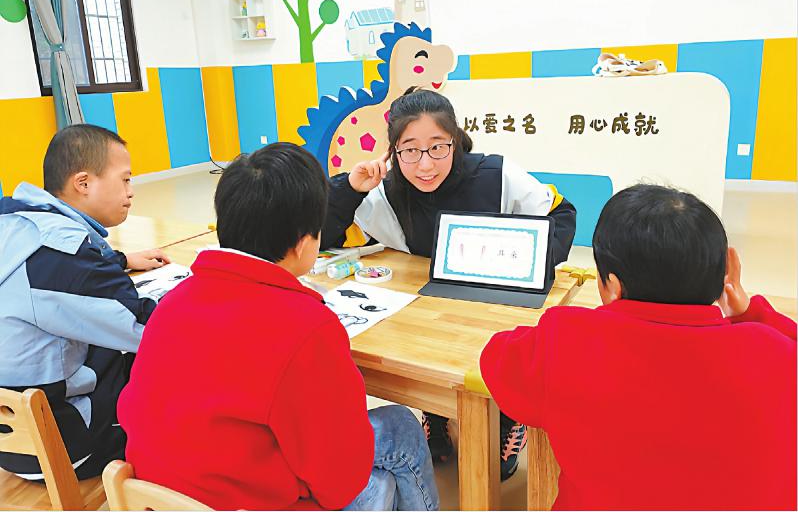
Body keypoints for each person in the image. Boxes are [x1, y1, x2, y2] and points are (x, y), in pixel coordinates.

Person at [118, 143, 439, 511]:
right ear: (303, 244)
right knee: (396, 433)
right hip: (246, 502)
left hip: (158, 498)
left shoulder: (172, 303)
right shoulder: (306, 327)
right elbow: (339, 482)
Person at [480, 184, 797, 509]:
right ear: (725, 273)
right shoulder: (775, 353)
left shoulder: (566, 339)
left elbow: (495, 359)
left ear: (613, 286)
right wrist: (750, 313)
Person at [322, 88, 577, 480]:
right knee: (420, 346)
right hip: (429, 308)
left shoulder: (496, 175)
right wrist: (350, 188)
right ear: (393, 151)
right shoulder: (385, 192)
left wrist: (528, 265)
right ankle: (436, 414)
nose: (425, 164)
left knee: (503, 357)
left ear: (455, 140)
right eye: (410, 150)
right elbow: (325, 237)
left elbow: (560, 212)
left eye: (438, 147)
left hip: (493, 301)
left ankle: (509, 417)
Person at [0, 125, 169, 479]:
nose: (131, 191)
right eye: (125, 180)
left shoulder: (14, 220)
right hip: (56, 446)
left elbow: (47, 276)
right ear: (83, 183)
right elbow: (144, 327)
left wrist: (120, 260)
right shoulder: (68, 257)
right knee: (161, 354)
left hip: (10, 433)